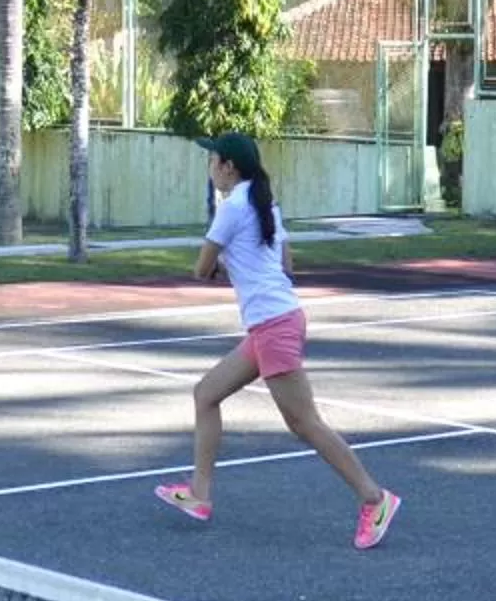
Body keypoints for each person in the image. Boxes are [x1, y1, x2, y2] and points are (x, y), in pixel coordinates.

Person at [155, 132, 402, 549]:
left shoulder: (233, 207)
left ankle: (375, 499)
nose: (209, 167)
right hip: (275, 321)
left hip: (274, 324)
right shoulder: (263, 201)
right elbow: (286, 262)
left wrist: (228, 269)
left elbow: (200, 268)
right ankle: (199, 495)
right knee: (206, 394)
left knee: (305, 423)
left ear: (228, 166)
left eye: (212, 159)